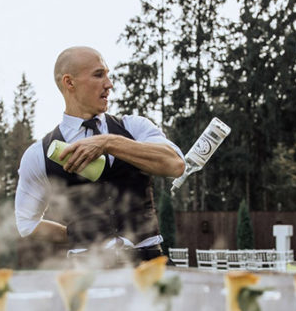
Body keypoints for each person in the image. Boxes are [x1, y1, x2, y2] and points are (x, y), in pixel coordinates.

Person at [14, 46, 185, 266]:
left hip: (150, 266)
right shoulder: (38, 154)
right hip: (87, 272)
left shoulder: (134, 128)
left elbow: (175, 164)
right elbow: (27, 225)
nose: (109, 84)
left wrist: (108, 142)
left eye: (108, 75)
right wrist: (78, 234)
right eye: (98, 74)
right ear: (69, 82)